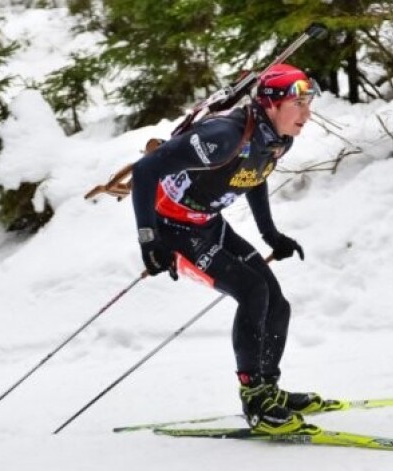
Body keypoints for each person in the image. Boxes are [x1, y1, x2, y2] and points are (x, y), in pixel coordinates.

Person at [131, 63, 333, 435]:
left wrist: (270, 234)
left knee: (276, 302)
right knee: (253, 292)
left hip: (208, 224)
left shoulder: (278, 136)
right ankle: (255, 400)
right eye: (299, 104)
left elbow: (254, 174)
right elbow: (145, 172)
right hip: (173, 228)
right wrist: (149, 241)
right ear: (271, 104)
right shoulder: (222, 135)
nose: (308, 114)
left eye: (309, 104)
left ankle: (268, 390)